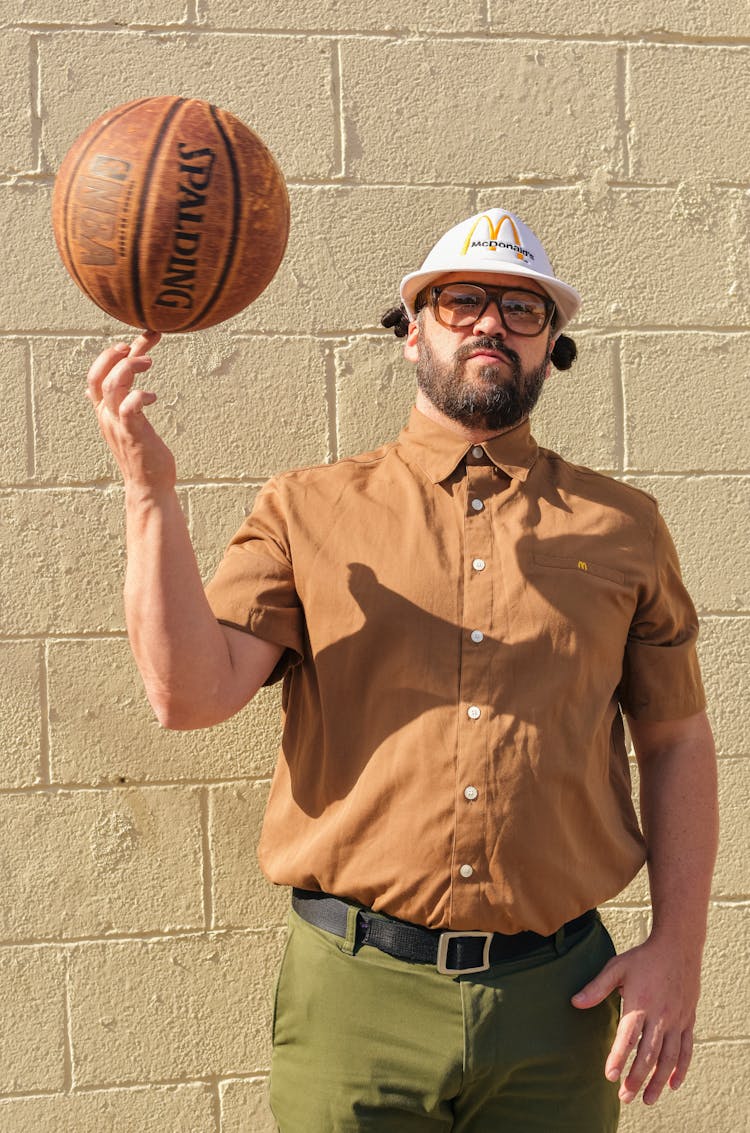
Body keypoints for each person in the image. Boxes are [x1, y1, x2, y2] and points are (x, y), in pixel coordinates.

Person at [87, 207, 718, 1132]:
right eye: (462, 300)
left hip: (559, 1000)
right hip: (355, 1001)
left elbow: (675, 741)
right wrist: (149, 493)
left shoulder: (622, 525)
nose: (491, 323)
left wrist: (680, 948)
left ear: (552, 346)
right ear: (412, 327)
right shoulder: (308, 509)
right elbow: (189, 694)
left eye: (522, 308)